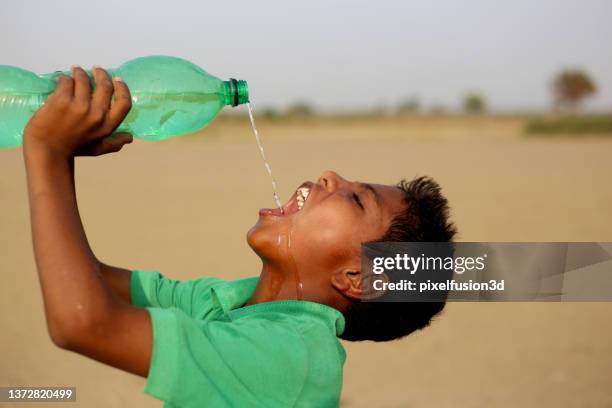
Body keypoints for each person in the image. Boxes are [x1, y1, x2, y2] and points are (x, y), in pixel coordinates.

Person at [22, 66, 456, 408]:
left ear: (357, 278)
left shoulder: (294, 356)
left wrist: (47, 152)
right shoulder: (231, 301)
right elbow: (82, 278)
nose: (329, 175)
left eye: (358, 200)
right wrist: (63, 155)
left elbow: (82, 323)